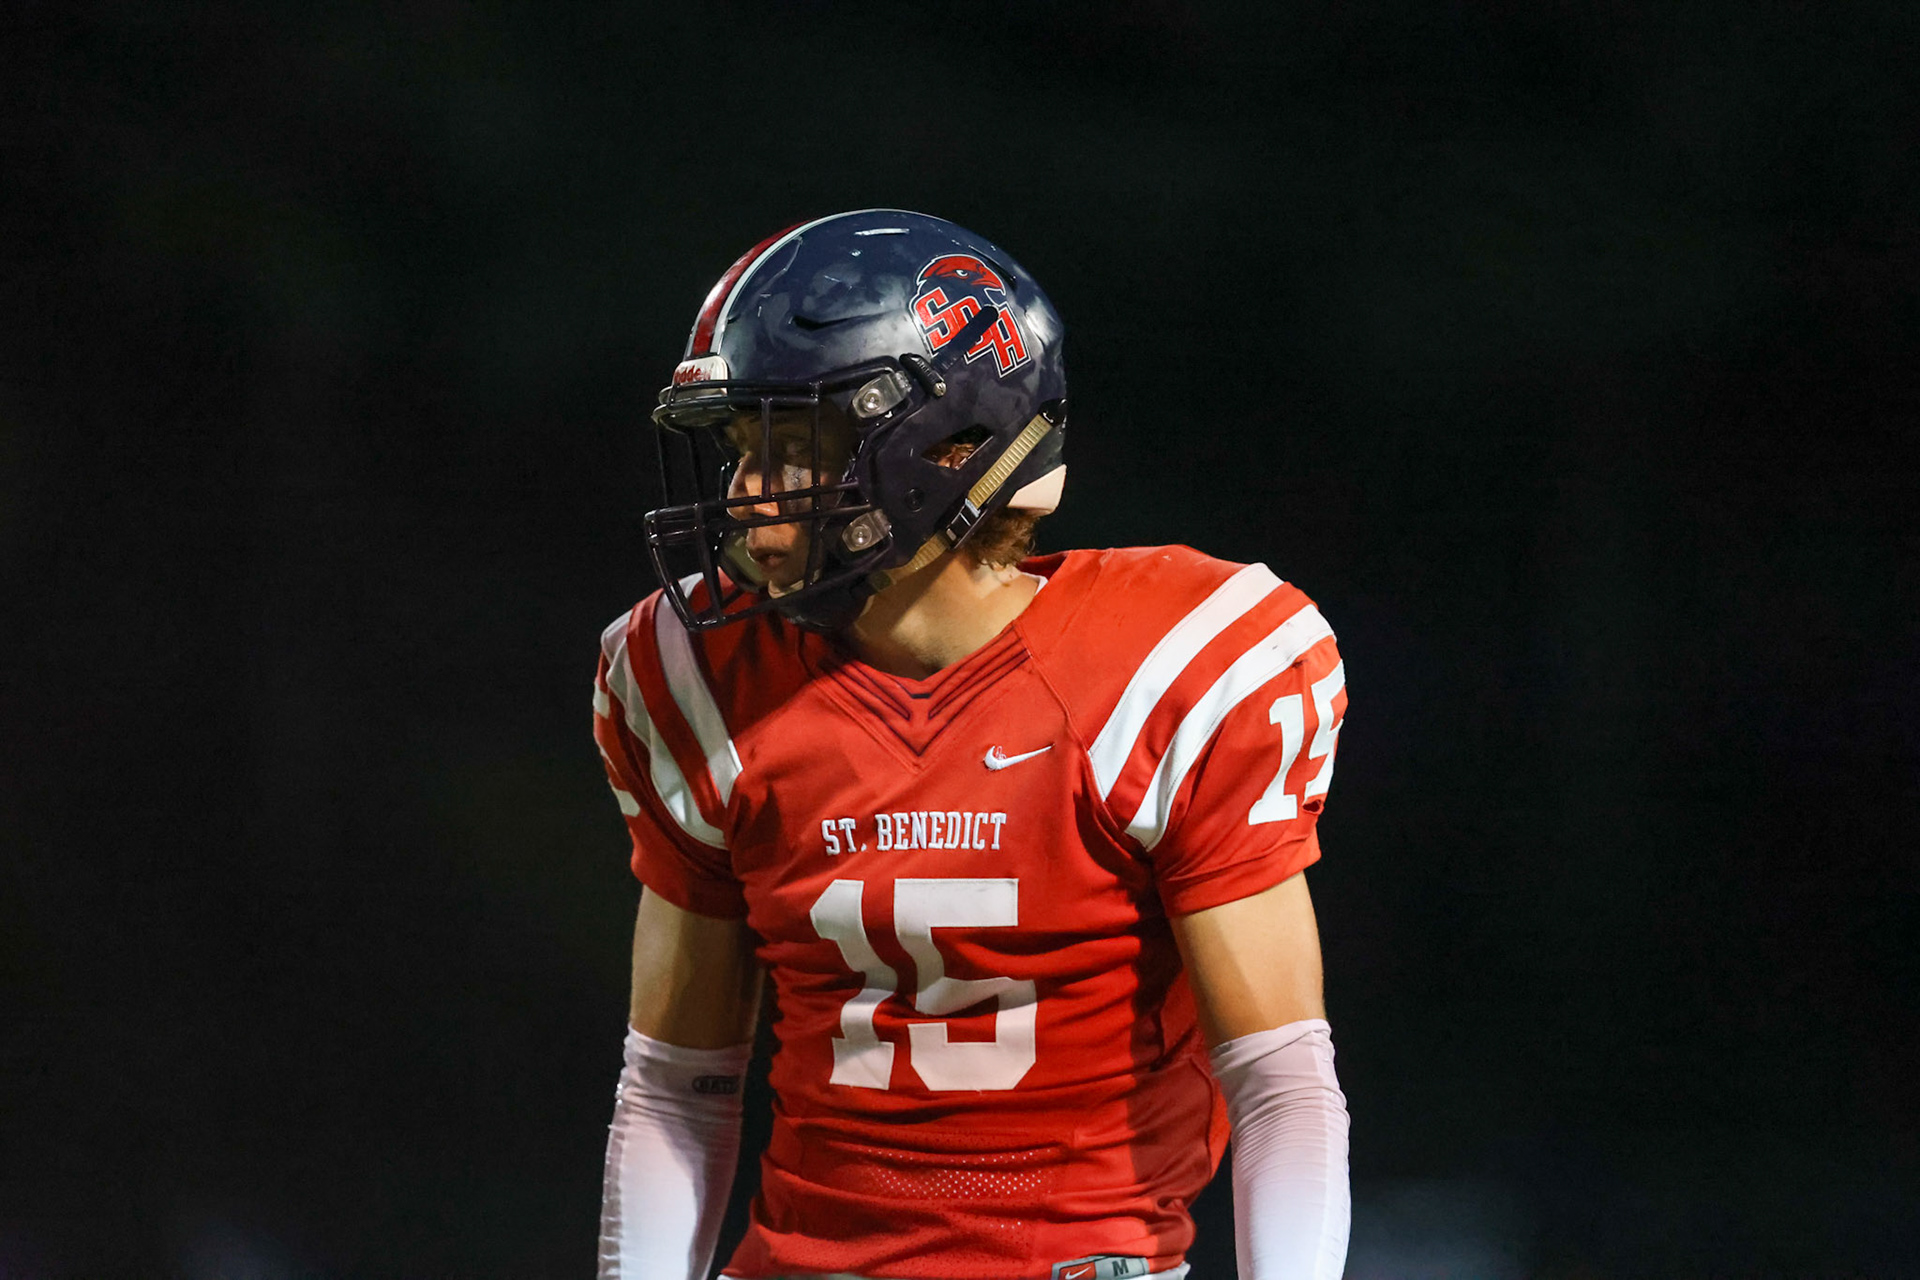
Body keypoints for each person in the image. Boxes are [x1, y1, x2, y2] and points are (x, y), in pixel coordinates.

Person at [593, 210, 1351, 1280]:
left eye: (792, 446)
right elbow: (678, 1083)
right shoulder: (699, 675)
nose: (745, 493)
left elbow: (1278, 1079)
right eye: (740, 448)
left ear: (945, 448)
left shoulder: (1174, 668)